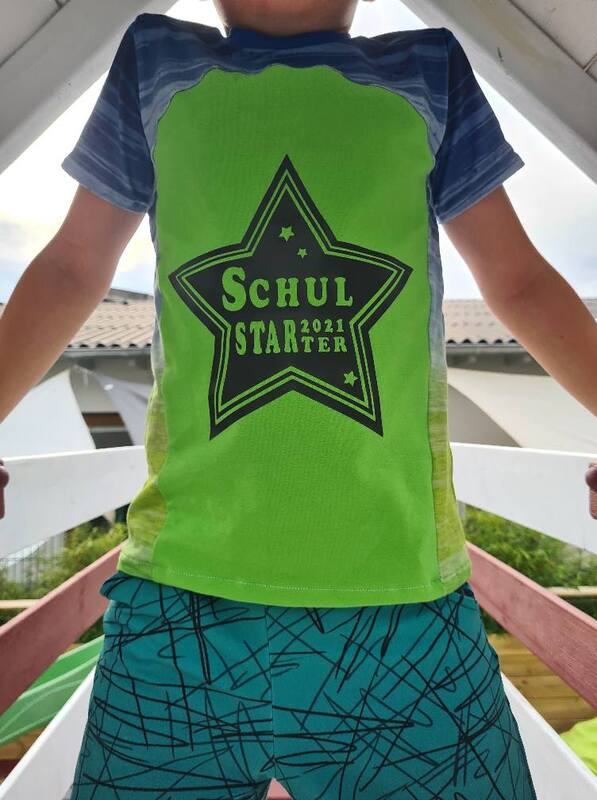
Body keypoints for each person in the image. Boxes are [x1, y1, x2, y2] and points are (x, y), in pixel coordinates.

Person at [2, 0, 596, 796]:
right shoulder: (154, 63)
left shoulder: (429, 73)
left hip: (407, 606)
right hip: (181, 604)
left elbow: (517, 278)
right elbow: (74, 267)